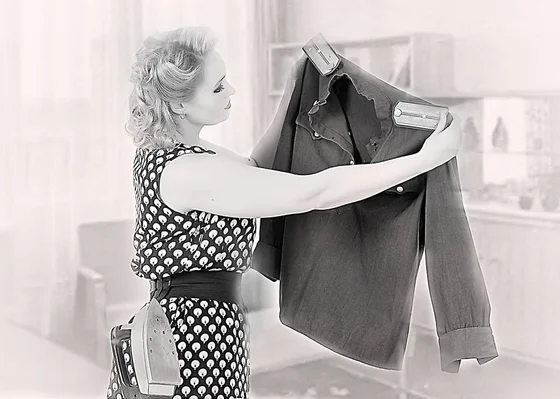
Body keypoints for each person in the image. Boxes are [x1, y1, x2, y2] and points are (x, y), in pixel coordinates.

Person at [106, 26, 462, 399]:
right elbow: (316, 192)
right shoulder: (190, 171)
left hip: (189, 325)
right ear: (179, 104)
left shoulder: (170, 153)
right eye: (217, 87)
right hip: (192, 337)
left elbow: (255, 167)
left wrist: (295, 90)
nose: (231, 91)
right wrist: (425, 160)